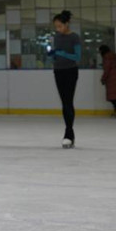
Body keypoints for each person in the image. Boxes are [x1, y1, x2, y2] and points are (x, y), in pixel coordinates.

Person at [48, 10, 80, 148]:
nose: (58, 29)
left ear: (67, 24)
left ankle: (68, 133)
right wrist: (52, 54)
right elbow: (55, 54)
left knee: (68, 101)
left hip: (70, 71)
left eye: (60, 26)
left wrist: (62, 53)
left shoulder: (74, 37)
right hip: (58, 71)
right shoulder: (56, 37)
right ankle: (69, 133)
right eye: (56, 27)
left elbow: (77, 57)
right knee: (64, 102)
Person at [99, 45, 116, 117]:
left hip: (111, 78)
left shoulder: (106, 58)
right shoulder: (112, 57)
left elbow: (107, 69)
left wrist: (103, 78)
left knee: (113, 96)